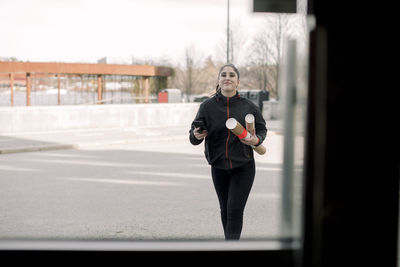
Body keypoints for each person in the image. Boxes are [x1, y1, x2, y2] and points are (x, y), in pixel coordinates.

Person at [189, 64, 267, 240]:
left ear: (237, 81)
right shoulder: (207, 107)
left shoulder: (248, 106)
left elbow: (262, 129)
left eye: (232, 75)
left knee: (234, 210)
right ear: (218, 80)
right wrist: (196, 135)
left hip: (244, 166)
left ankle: (231, 247)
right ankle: (230, 245)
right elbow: (193, 137)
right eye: (223, 75)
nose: (227, 78)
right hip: (218, 167)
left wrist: (256, 140)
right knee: (225, 210)